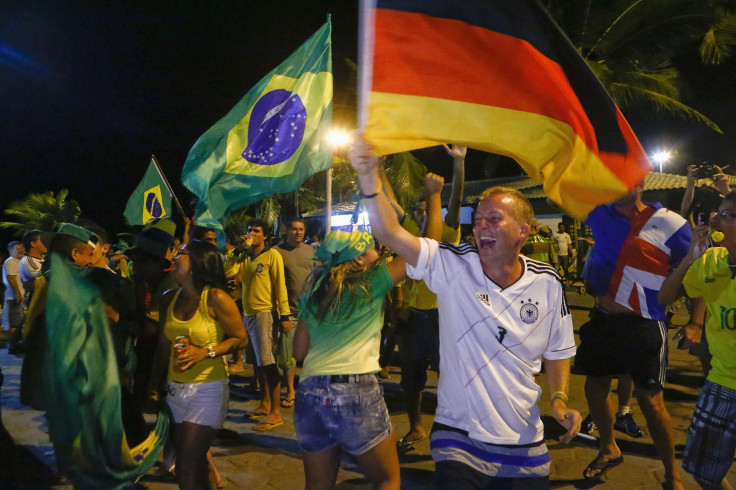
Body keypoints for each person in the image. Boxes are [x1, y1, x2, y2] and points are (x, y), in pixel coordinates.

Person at [350, 137, 580, 487]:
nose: (481, 226)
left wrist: (560, 400)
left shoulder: (547, 282)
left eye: (494, 219)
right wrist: (368, 173)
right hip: (459, 437)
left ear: (523, 231)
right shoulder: (453, 264)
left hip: (525, 444)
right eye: (480, 219)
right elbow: (389, 231)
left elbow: (558, 350)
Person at [575, 183, 691, 487]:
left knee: (651, 402)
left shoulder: (669, 222)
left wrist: (697, 320)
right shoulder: (600, 215)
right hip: (603, 318)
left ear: (639, 183)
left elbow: (696, 266)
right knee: (595, 390)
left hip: (644, 322)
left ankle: (671, 474)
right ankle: (609, 448)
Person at [293, 226, 408, 489]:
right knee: (386, 480)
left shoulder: (316, 291)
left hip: (310, 393)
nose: (378, 253)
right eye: (371, 248)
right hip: (354, 391)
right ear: (357, 258)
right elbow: (426, 246)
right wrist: (434, 198)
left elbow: (298, 352)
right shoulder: (373, 281)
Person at [382, 145, 465, 449]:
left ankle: (450, 430)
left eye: (424, 209)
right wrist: (379, 168)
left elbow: (455, 200)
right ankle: (417, 427)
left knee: (449, 377)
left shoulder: (447, 233)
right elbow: (391, 205)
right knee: (411, 380)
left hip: (445, 319)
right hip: (414, 319)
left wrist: (458, 164)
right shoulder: (411, 236)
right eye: (416, 211)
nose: (419, 214)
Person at [152, 240, 246, 490]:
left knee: (185, 465)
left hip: (207, 390)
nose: (173, 257)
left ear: (198, 262)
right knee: (194, 466)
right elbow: (163, 344)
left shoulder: (216, 298)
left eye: (181, 254)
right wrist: (153, 385)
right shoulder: (168, 298)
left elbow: (240, 338)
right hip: (175, 391)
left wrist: (206, 351)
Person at [658, 192, 736, 489]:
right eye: (718, 213)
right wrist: (690, 258)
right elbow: (666, 297)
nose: (716, 220)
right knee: (703, 471)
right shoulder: (713, 260)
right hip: (723, 382)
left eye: (727, 215)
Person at [239, 218, 291, 431]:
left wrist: (285, 315)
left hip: (265, 314)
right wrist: (236, 252)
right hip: (248, 314)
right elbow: (227, 271)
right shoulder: (245, 257)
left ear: (265, 236)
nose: (252, 233)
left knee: (269, 365)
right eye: (250, 229)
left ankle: (276, 413)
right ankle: (265, 404)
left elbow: (280, 285)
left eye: (257, 231)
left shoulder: (272, 255)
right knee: (258, 364)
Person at [273, 217, 315, 408]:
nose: (298, 232)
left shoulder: (311, 251)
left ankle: (309, 388)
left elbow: (318, 277)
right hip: (289, 311)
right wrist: (281, 314)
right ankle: (290, 390)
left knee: (310, 355)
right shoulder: (277, 252)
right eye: (294, 229)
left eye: (301, 229)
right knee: (289, 355)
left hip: (310, 312)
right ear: (287, 231)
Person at [3, 241, 26, 354]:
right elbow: (11, 278)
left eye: (22, 248)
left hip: (20, 296)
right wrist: (18, 293)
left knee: (20, 322)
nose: (21, 250)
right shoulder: (11, 261)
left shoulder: (20, 261)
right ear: (10, 251)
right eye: (18, 248)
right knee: (15, 324)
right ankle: (12, 347)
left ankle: (16, 344)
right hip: (14, 297)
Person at [19, 230, 47, 306]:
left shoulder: (41, 260)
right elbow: (41, 278)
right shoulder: (27, 261)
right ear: (33, 243)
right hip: (32, 305)